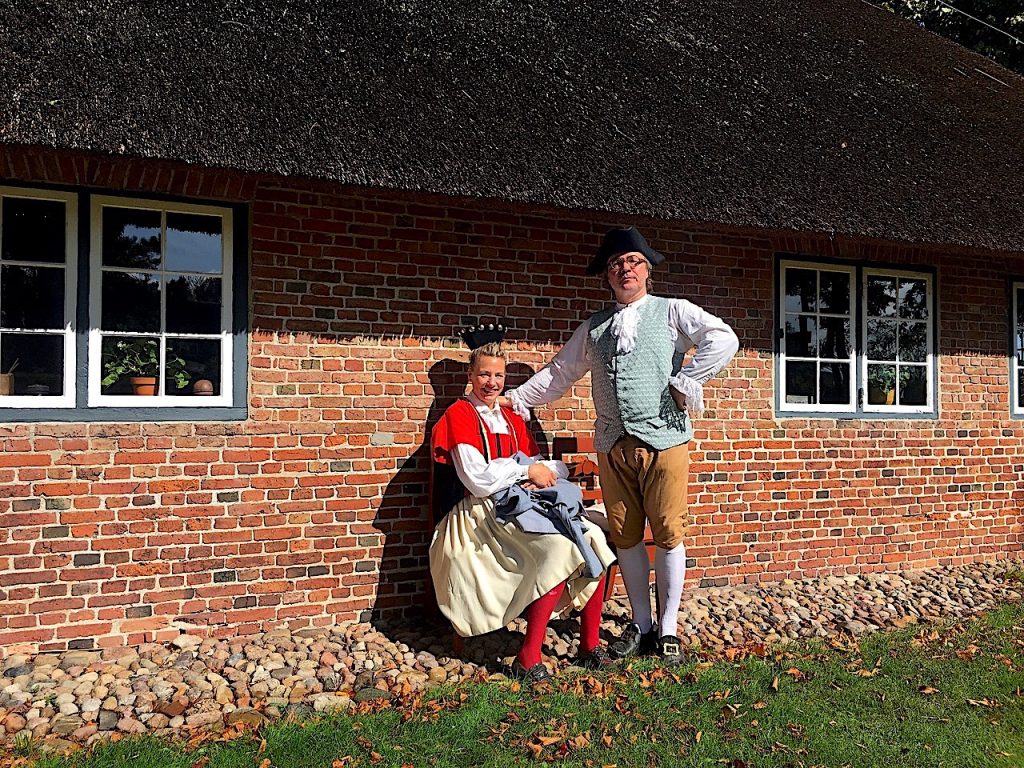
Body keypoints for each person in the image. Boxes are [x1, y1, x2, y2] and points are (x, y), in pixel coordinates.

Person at [505, 226, 739, 663]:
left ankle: (667, 630)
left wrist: (688, 380)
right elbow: (559, 374)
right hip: (614, 444)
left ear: (647, 270)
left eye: (632, 262)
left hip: (665, 439)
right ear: (607, 276)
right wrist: (515, 399)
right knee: (627, 537)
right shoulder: (594, 328)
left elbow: (724, 338)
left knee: (668, 534)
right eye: (616, 265)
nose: (624, 269)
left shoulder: (672, 311)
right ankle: (642, 624)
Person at [429, 340, 616, 683]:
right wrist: (525, 472)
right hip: (480, 514)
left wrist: (540, 472)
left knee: (594, 541)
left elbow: (543, 465)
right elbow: (478, 479)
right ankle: (528, 657)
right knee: (560, 550)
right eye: (484, 374)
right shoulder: (459, 414)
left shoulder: (512, 416)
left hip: (523, 503)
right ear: (470, 375)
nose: (491, 382)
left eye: (498, 375)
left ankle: (590, 645)